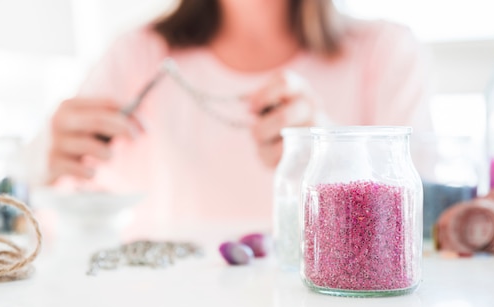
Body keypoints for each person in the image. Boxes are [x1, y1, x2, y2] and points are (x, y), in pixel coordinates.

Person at [39, 0, 431, 234]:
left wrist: (334, 155)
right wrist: (49, 166)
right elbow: (53, 216)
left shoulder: (385, 52)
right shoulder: (136, 55)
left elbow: (428, 227)